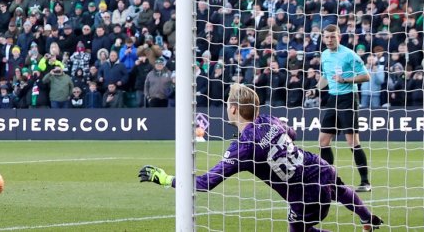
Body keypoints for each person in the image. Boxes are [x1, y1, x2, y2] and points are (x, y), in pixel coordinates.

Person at [139, 84, 383, 232]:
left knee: (299, 229)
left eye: (227, 104)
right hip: (317, 167)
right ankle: (367, 217)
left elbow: (205, 183)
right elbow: (292, 133)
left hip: (304, 196)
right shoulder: (269, 119)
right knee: (338, 188)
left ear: (234, 109)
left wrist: (164, 178)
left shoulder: (243, 146)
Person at [307, 24, 371, 191]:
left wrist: (346, 80)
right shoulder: (325, 55)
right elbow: (327, 77)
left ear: (339, 37)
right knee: (323, 141)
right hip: (333, 99)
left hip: (349, 98)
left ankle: (365, 182)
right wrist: (316, 89)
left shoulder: (349, 54)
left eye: (332, 37)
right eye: (326, 37)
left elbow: (366, 76)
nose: (329, 40)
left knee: (352, 141)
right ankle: (328, 180)